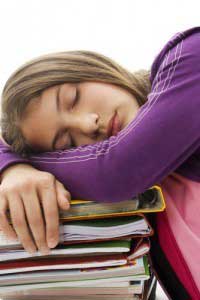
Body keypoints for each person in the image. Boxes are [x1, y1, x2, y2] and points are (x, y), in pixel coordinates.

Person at [0, 27, 200, 299]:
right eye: (67, 144)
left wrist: (16, 165)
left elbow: (118, 167)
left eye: (73, 99)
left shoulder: (189, 54)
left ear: (90, 67)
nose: (88, 124)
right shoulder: (152, 205)